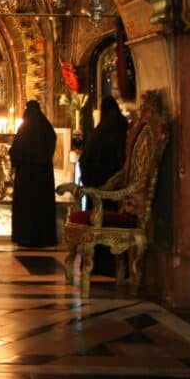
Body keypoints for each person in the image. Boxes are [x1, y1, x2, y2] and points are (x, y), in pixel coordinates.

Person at [78, 95, 129, 276]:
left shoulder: (97, 134)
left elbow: (85, 161)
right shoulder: (123, 131)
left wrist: (93, 183)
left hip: (97, 192)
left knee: (97, 224)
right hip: (119, 192)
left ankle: (98, 264)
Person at [10, 100, 57, 248]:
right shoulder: (46, 128)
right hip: (43, 177)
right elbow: (51, 144)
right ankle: (43, 237)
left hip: (26, 177)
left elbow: (15, 151)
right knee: (42, 208)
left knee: (27, 208)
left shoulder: (24, 130)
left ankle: (25, 236)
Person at [79, 96, 129, 188]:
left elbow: (85, 160)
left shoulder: (98, 132)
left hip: (94, 183)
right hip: (111, 182)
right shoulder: (120, 126)